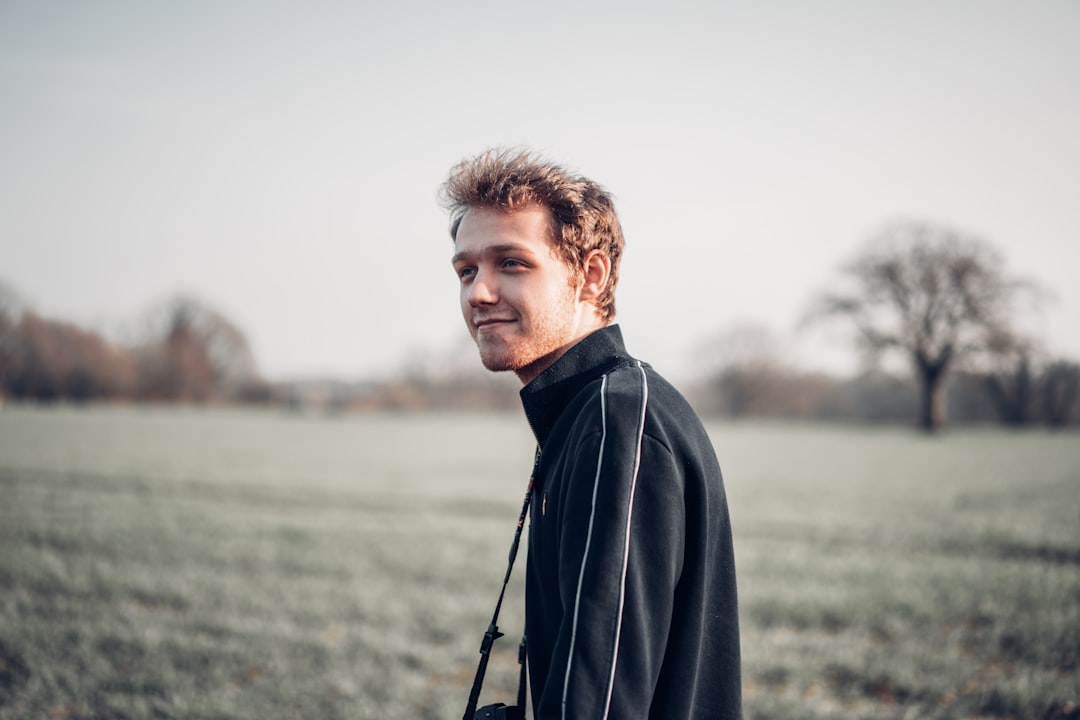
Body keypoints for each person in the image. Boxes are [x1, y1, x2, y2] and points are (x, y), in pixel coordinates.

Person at [442, 148, 742, 719]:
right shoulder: (591, 412)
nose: (478, 292)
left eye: (511, 263)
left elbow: (600, 702)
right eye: (466, 270)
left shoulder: (617, 423)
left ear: (590, 274)